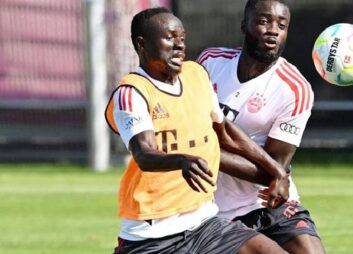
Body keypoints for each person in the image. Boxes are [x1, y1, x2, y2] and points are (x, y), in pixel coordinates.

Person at [104, 7, 291, 254]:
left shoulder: (195, 75)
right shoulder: (132, 92)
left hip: (204, 223)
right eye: (169, 38)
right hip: (152, 235)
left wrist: (277, 170)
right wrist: (182, 160)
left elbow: (225, 132)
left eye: (181, 38)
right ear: (142, 43)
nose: (179, 45)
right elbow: (144, 153)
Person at [197, 0, 326, 253]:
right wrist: (199, 151)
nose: (273, 30)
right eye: (264, 21)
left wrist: (201, 151)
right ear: (244, 25)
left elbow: (275, 169)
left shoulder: (295, 88)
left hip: (268, 203)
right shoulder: (210, 62)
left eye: (282, 25)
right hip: (214, 210)